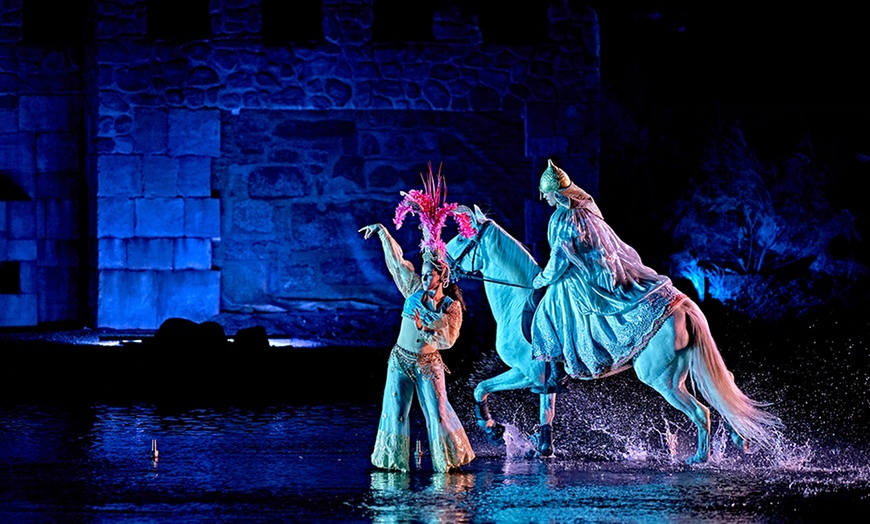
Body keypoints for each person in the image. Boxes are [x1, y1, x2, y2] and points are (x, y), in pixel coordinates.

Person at [359, 164, 476, 473]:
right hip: (400, 359)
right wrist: (384, 232)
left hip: (428, 363)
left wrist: (427, 328)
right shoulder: (412, 287)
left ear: (442, 276)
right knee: (395, 411)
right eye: (423, 274)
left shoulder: (450, 307)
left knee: (435, 413)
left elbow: (448, 340)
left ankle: (446, 461)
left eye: (430, 275)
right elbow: (397, 263)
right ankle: (393, 464)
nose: (424, 279)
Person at [531, 159, 686, 379]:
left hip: (588, 276)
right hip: (602, 268)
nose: (545, 198)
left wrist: (541, 279)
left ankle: (563, 363)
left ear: (558, 193)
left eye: (547, 194)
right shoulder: (583, 210)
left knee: (552, 303)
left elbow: (559, 259)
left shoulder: (567, 217)